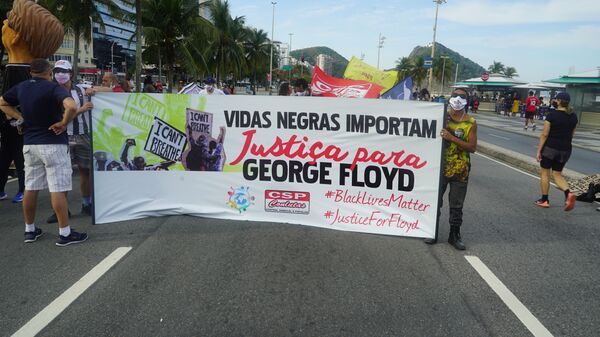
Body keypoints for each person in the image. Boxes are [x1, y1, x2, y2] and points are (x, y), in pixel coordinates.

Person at [0, 59, 87, 246]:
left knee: (31, 187)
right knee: (57, 188)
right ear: (49, 72)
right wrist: (64, 123)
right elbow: (71, 106)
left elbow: (2, 103)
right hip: (53, 143)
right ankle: (65, 233)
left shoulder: (22, 87)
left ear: (31, 72)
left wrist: (20, 117)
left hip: (30, 144)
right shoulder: (53, 88)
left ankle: (30, 230)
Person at [425, 88, 477, 250]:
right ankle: (431, 232)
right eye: (454, 96)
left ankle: (454, 235)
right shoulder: (441, 117)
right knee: (435, 202)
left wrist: (452, 138)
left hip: (460, 170)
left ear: (466, 101)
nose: (457, 99)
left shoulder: (470, 122)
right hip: (439, 168)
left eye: (461, 97)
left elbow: (472, 147)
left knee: (456, 205)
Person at [45, 60, 94, 224]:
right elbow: (60, 117)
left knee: (85, 171)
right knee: (62, 174)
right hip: (62, 136)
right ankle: (61, 209)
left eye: (63, 71)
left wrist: (97, 89)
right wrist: (81, 109)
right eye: (57, 71)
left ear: (71, 73)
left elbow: (109, 90)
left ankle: (87, 203)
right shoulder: (51, 92)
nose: (60, 74)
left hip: (83, 135)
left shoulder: (81, 90)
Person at [535, 92, 577, 211]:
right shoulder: (573, 116)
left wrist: (539, 151)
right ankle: (568, 193)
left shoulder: (552, 115)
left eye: (555, 99)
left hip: (550, 149)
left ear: (558, 101)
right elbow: (572, 134)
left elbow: (544, 134)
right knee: (557, 174)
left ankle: (544, 200)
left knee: (545, 173)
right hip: (566, 149)